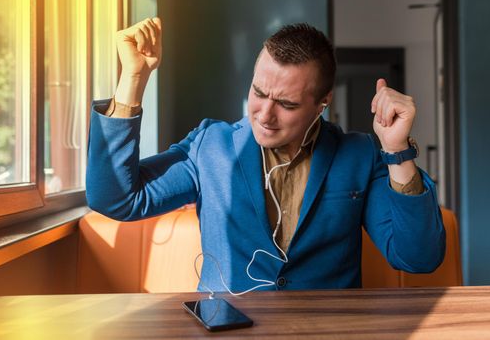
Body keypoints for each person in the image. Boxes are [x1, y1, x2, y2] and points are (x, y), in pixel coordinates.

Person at [86, 17, 445, 293]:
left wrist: (396, 150)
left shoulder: (359, 155)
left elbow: (418, 258)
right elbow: (116, 200)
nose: (264, 114)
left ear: (323, 103)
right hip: (228, 329)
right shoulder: (210, 145)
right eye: (259, 92)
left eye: (287, 104)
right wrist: (133, 79)